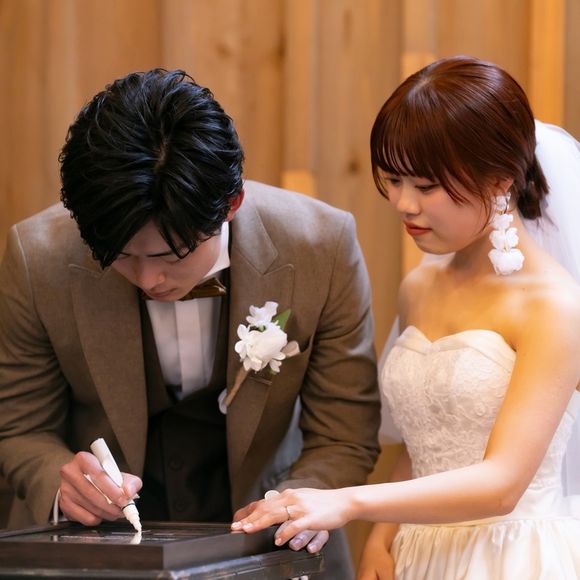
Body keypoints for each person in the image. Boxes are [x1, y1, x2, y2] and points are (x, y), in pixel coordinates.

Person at [0, 69, 381, 578]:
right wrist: (60, 482)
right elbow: (21, 426)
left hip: (272, 548)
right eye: (120, 256)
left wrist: (293, 503)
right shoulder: (37, 257)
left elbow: (345, 434)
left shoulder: (320, 247)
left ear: (231, 204)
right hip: (94, 557)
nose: (148, 279)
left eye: (170, 255)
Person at [231, 56, 580, 579]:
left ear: (499, 178)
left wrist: (349, 502)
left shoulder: (554, 306)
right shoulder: (420, 288)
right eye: (392, 180)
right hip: (417, 553)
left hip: (511, 555)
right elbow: (427, 441)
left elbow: (503, 484)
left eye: (425, 185)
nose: (402, 203)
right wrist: (383, 536)